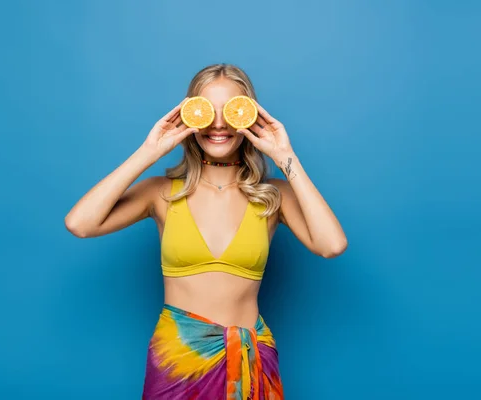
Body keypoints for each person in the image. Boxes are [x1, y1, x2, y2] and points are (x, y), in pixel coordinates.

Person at [64, 63, 347, 399]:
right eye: (205, 111)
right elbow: (80, 224)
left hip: (250, 360)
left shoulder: (274, 195)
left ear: (249, 117)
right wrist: (149, 152)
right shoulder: (161, 193)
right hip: (177, 362)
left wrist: (286, 156)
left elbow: (331, 245)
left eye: (230, 110)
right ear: (188, 116)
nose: (218, 124)